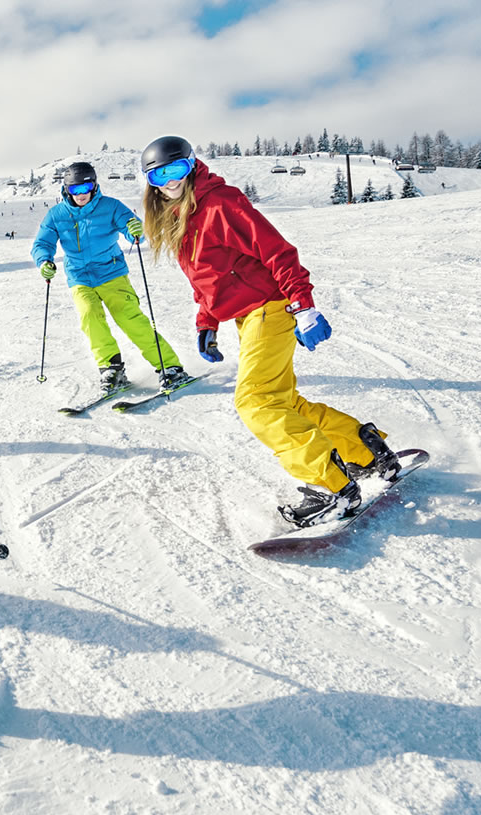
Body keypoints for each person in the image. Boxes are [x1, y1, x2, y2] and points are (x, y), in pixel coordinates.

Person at [138, 135, 401, 527]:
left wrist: (304, 305)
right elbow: (205, 278)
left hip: (270, 308)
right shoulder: (180, 217)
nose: (170, 182)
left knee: (255, 401)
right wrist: (207, 322)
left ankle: (333, 486)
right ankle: (366, 451)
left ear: (192, 165)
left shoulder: (220, 204)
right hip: (249, 315)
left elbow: (277, 252)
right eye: (160, 175)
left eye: (176, 170)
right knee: (283, 402)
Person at [31, 161, 186, 393]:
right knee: (89, 317)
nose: (81, 195)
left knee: (130, 318)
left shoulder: (110, 206)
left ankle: (169, 366)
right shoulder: (57, 215)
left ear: (94, 186)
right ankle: (111, 368)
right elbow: (42, 243)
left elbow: (132, 228)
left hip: (111, 272)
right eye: (75, 190)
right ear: (66, 190)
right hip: (79, 276)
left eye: (86, 189)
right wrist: (44, 260)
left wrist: (135, 230)